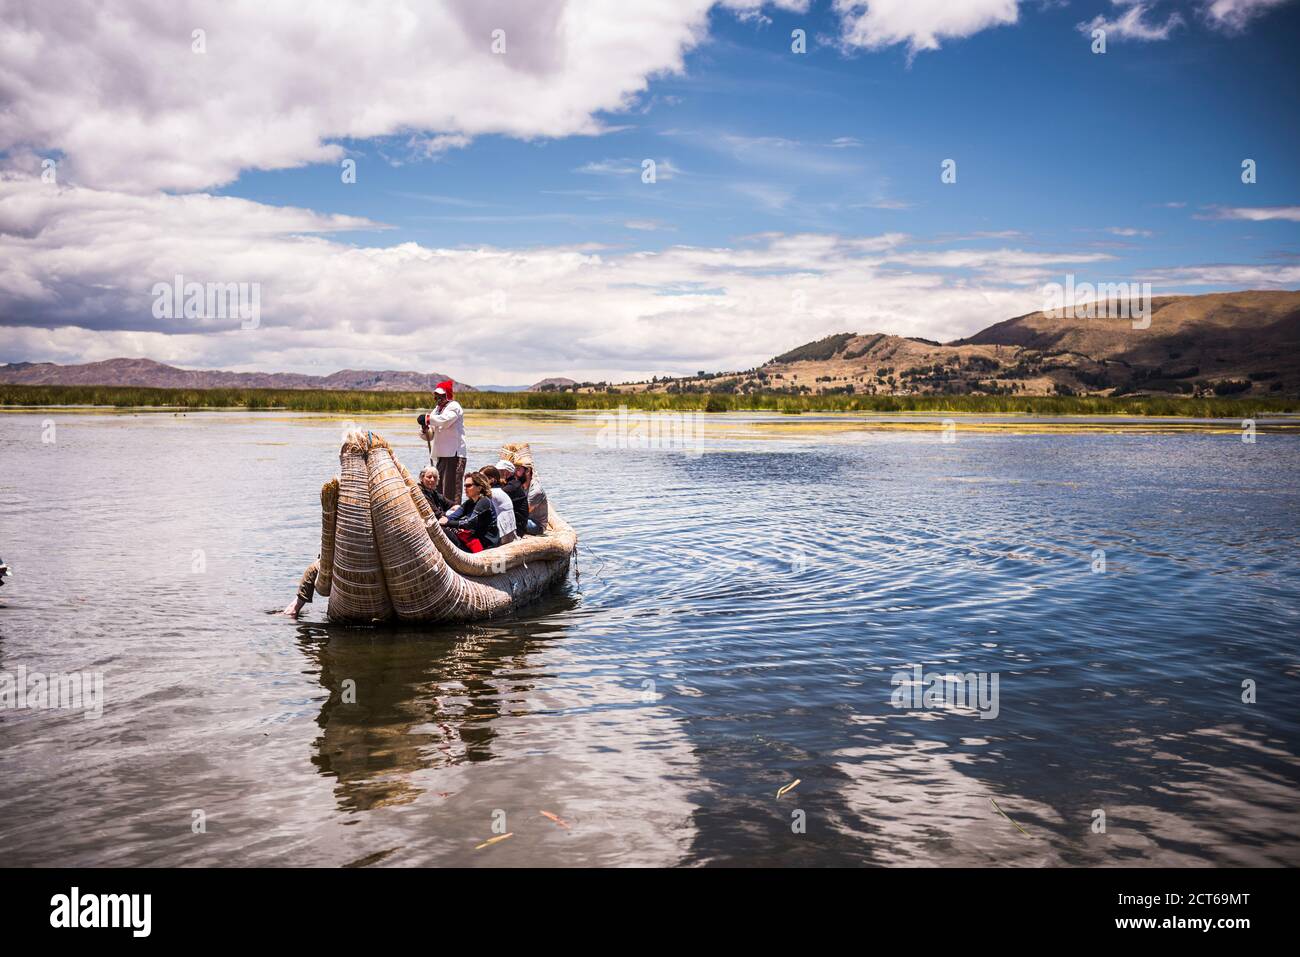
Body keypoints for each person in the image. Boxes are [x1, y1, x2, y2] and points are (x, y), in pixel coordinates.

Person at [419, 380, 466, 510]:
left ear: (448, 395)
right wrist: (425, 429)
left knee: (451, 490)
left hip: (454, 454)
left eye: (441, 396)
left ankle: (455, 516)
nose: (438, 399)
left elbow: (445, 421)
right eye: (436, 396)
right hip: (441, 455)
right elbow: (430, 434)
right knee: (438, 488)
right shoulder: (437, 410)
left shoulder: (454, 406)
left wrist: (427, 419)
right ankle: (440, 514)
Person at [439, 472, 500, 551]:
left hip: (486, 544)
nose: (465, 488)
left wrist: (447, 523)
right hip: (475, 538)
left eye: (468, 485)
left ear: (479, 488)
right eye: (465, 485)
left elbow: (469, 523)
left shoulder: (484, 501)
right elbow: (454, 516)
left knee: (447, 533)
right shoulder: (470, 502)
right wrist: (444, 520)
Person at [477, 466, 518, 544]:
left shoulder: (492, 493)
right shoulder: (499, 491)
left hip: (501, 538)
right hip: (508, 534)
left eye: (482, 478)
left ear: (492, 479)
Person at [495, 459, 530, 536]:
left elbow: (494, 497)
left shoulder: (513, 486)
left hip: (517, 528)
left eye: (499, 471)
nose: (496, 474)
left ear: (507, 472)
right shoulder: (508, 484)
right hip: (512, 524)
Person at [516, 460, 548, 534]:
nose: (515, 473)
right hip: (526, 519)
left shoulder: (536, 490)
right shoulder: (522, 486)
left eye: (518, 469)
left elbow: (525, 511)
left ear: (527, 471)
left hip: (537, 525)